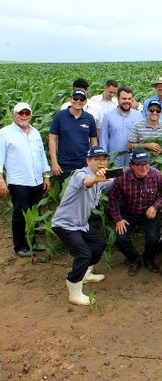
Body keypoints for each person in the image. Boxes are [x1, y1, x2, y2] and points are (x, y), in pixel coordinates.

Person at [51, 146, 114, 306]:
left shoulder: (103, 177)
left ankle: (85, 274)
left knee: (98, 243)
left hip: (81, 224)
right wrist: (95, 179)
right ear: (88, 161)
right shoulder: (82, 174)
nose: (101, 163)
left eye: (104, 159)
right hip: (64, 224)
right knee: (83, 254)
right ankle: (74, 291)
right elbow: (86, 182)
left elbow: (113, 181)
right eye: (97, 159)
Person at [108, 148, 162, 276]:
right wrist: (118, 218)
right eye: (139, 165)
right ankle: (135, 259)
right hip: (128, 212)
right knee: (120, 239)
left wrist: (155, 207)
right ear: (131, 166)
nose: (143, 167)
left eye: (146, 163)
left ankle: (148, 259)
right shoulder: (121, 176)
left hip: (149, 212)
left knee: (154, 237)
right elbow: (112, 198)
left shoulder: (156, 174)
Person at [0, 102, 51, 257]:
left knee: (35, 212)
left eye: (26, 113)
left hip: (36, 180)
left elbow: (41, 155)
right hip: (18, 181)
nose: (24, 116)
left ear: (30, 115)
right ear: (14, 115)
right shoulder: (5, 133)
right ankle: (20, 246)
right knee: (20, 214)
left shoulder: (35, 132)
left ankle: (33, 242)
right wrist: (1, 180)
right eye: (20, 113)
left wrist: (46, 175)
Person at [49, 89, 98, 182]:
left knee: (84, 191)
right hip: (65, 164)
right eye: (76, 98)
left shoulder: (89, 118)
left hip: (84, 164)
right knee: (65, 193)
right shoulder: (60, 116)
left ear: (85, 102)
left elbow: (94, 141)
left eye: (82, 99)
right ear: (70, 99)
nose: (78, 101)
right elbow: (52, 139)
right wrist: (54, 163)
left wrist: (93, 161)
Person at [100, 86, 143, 166]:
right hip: (114, 160)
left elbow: (142, 138)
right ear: (118, 99)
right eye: (124, 99)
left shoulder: (138, 116)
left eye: (129, 99)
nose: (127, 101)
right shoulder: (108, 116)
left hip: (134, 160)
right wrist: (103, 159)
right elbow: (104, 141)